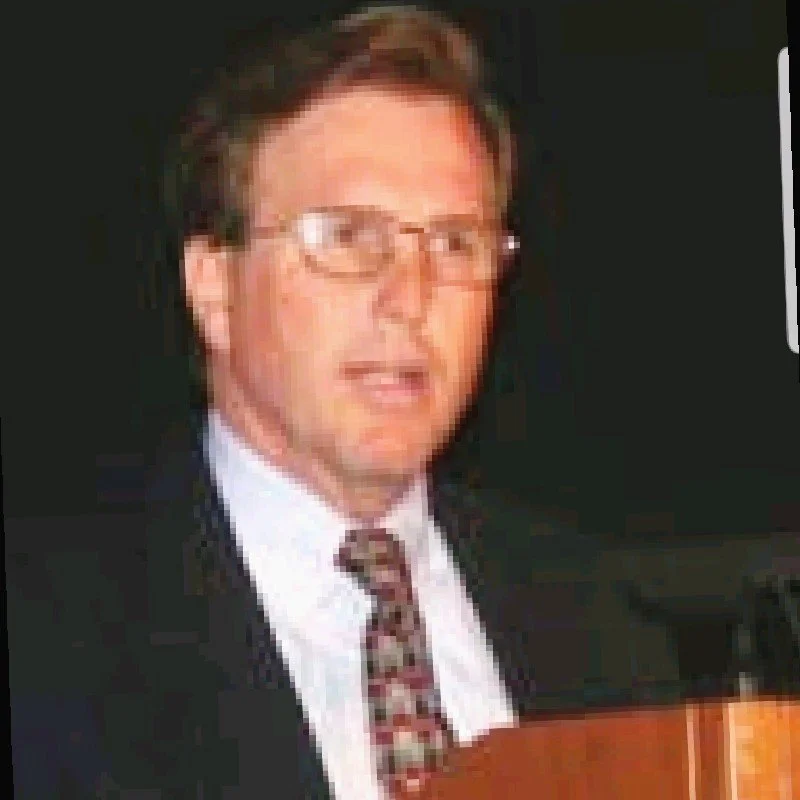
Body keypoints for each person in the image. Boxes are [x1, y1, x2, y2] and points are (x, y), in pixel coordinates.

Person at [6, 6, 680, 798]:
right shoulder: (50, 636)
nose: (411, 297)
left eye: (456, 243)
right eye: (350, 238)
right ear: (215, 287)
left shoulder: (594, 624)